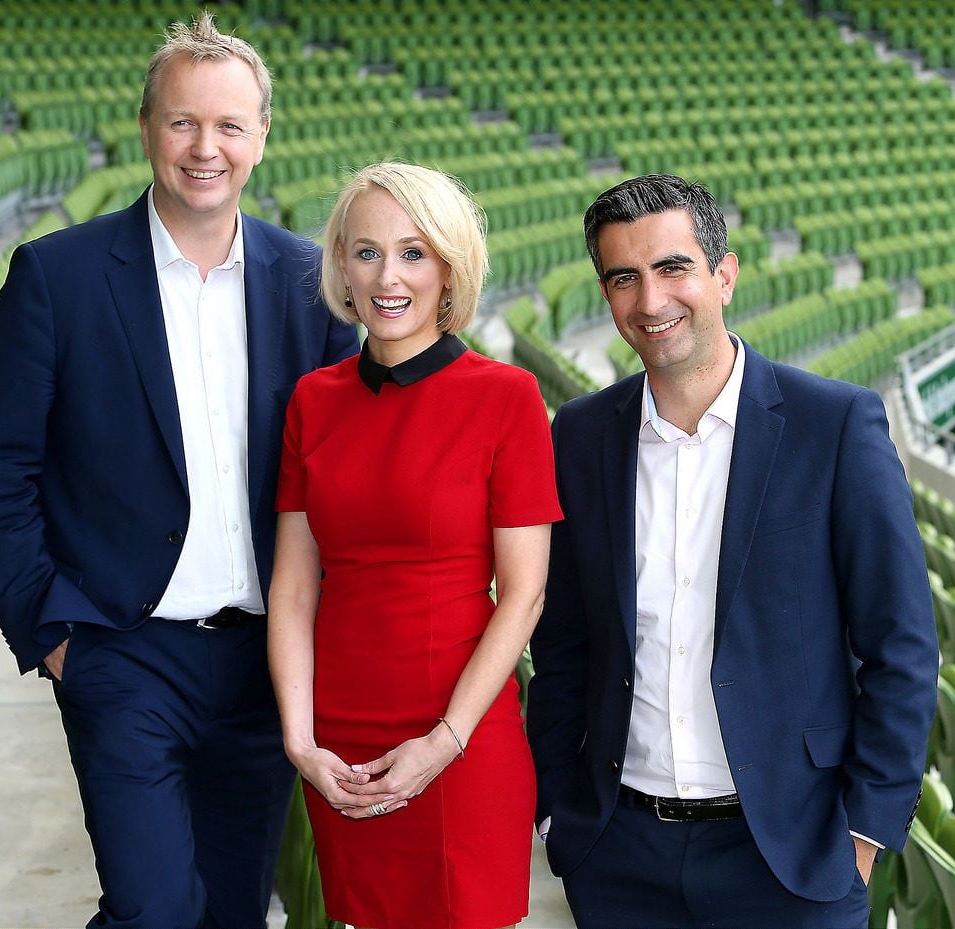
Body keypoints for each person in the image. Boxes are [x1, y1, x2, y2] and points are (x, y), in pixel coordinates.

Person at [0, 13, 357, 929]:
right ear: (146, 129)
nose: (204, 147)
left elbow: (348, 472)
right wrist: (54, 632)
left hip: (266, 659)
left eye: (227, 126)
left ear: (261, 137)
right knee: (153, 907)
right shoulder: (57, 276)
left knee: (229, 909)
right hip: (121, 649)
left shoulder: (311, 285)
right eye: (182, 122)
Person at [526, 173, 939, 929]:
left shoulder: (836, 426)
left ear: (724, 274)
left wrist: (863, 833)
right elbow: (563, 647)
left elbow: (901, 645)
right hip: (620, 858)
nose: (649, 302)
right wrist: (560, 814)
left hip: (790, 857)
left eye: (672, 268)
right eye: (623, 278)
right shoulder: (581, 437)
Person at [268, 162, 563, 929]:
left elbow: (524, 592)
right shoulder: (313, 399)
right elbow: (295, 589)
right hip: (339, 741)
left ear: (449, 268)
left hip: (459, 734)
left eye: (412, 252)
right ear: (341, 265)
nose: (387, 275)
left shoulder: (507, 397)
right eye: (365, 252)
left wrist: (446, 739)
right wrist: (301, 742)